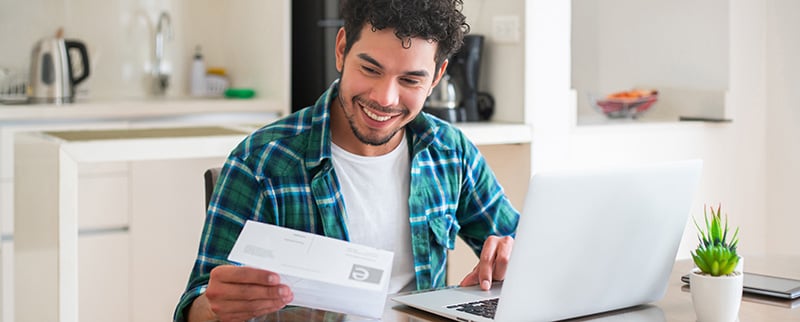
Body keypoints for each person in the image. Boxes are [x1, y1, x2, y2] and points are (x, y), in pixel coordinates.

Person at [174, 0, 519, 321]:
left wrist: (512, 252)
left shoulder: (449, 151)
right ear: (341, 50)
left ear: (437, 77)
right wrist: (213, 307)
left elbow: (524, 247)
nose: (385, 98)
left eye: (410, 80)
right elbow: (197, 306)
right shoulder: (261, 162)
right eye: (370, 69)